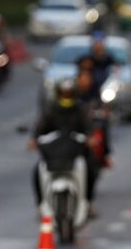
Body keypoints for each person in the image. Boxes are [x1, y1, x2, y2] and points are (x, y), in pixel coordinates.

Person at [29, 78, 96, 206]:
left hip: (75, 151)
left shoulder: (80, 109)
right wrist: (34, 139)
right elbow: (41, 126)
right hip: (56, 152)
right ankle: (40, 203)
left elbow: (88, 126)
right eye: (64, 93)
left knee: (90, 169)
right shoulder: (52, 109)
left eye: (69, 93)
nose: (66, 96)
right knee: (37, 171)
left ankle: (88, 202)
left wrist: (89, 138)